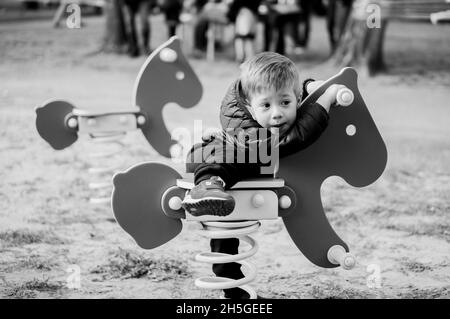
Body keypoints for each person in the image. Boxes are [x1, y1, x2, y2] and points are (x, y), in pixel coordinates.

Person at [182, 52, 347, 299]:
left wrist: (311, 85)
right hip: (214, 163)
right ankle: (207, 187)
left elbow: (296, 92)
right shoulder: (255, 136)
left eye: (285, 103)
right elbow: (299, 136)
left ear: (297, 98)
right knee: (231, 162)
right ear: (250, 106)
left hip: (224, 158)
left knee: (228, 230)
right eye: (266, 106)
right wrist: (327, 99)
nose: (277, 113)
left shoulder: (248, 110)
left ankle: (235, 294)